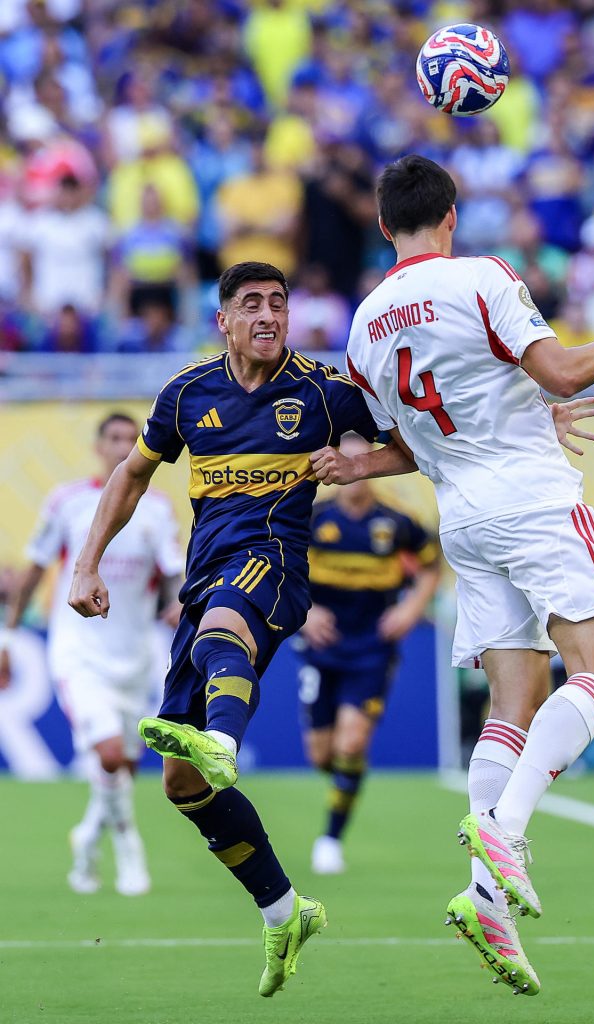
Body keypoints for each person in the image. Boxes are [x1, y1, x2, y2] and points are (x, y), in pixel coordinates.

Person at [310, 154, 594, 996]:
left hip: (464, 520)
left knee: (511, 705)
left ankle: (487, 901)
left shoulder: (365, 323)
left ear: (383, 227)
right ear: (451, 214)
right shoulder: (482, 276)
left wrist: (356, 467)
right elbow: (558, 371)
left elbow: (414, 444)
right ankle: (505, 831)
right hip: (531, 498)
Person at [66, 261, 387, 999]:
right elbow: (130, 476)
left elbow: (418, 443)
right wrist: (86, 564)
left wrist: (359, 459)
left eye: (279, 303)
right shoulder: (187, 394)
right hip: (205, 572)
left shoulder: (323, 390)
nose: (269, 315)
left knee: (222, 629)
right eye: (252, 305)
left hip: (274, 565)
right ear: (224, 320)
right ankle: (283, 907)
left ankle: (225, 739)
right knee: (181, 783)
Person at [0, 413, 184, 896]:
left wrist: (180, 605)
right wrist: (7, 638)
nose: (124, 447)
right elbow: (35, 570)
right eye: (116, 439)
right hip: (78, 652)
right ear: (98, 447)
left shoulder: (158, 510)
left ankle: (86, 839)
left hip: (133, 655)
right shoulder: (67, 502)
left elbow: (172, 578)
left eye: (133, 439)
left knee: (122, 765)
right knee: (107, 755)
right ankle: (129, 847)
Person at [297, 433, 441, 874]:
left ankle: (331, 838)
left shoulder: (396, 523)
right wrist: (306, 611)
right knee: (323, 755)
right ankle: (346, 778)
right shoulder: (312, 519)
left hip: (373, 649)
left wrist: (412, 608)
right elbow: (283, 566)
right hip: (321, 649)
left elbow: (432, 565)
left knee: (352, 742)